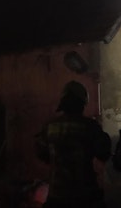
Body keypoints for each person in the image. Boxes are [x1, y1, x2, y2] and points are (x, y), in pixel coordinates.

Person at [35, 80, 112, 208]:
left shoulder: (49, 127)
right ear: (82, 103)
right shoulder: (90, 127)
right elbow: (104, 154)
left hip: (57, 196)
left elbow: (42, 154)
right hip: (84, 197)